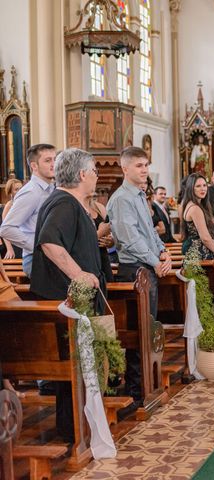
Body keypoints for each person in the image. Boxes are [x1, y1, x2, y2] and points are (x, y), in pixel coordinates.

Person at [30, 148, 104, 444]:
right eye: (95, 170)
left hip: (72, 301)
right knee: (74, 369)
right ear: (83, 174)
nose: (96, 176)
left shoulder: (67, 202)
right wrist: (81, 275)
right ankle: (74, 430)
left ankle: (75, 428)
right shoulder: (65, 204)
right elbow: (50, 243)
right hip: (71, 302)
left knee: (76, 372)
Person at [107, 146, 171, 409]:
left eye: (146, 165)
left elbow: (149, 233)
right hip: (134, 269)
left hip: (146, 267)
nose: (144, 170)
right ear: (125, 168)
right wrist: (155, 262)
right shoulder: (122, 199)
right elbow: (130, 239)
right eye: (138, 165)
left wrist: (164, 251)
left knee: (148, 329)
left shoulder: (140, 195)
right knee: (137, 332)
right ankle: (135, 392)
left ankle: (146, 387)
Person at [0, 144, 56, 276]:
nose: (54, 164)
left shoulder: (53, 188)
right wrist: (38, 247)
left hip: (52, 257)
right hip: (37, 259)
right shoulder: (31, 192)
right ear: (34, 166)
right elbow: (6, 228)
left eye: (55, 159)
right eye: (48, 160)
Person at [181, 173, 214, 259]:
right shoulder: (195, 208)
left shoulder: (191, 204)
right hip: (199, 252)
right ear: (191, 189)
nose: (203, 189)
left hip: (195, 249)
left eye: (204, 185)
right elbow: (205, 238)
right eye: (198, 186)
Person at [88, 194, 115, 282]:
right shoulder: (74, 207)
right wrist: (99, 233)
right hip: (86, 259)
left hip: (102, 257)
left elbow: (110, 235)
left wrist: (110, 241)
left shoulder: (99, 207)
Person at [0, 178, 23, 259]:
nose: (20, 191)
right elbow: (4, 230)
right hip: (14, 244)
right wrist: (9, 249)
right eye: (16, 189)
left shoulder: (25, 203)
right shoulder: (9, 205)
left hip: (25, 241)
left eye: (21, 188)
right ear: (10, 192)